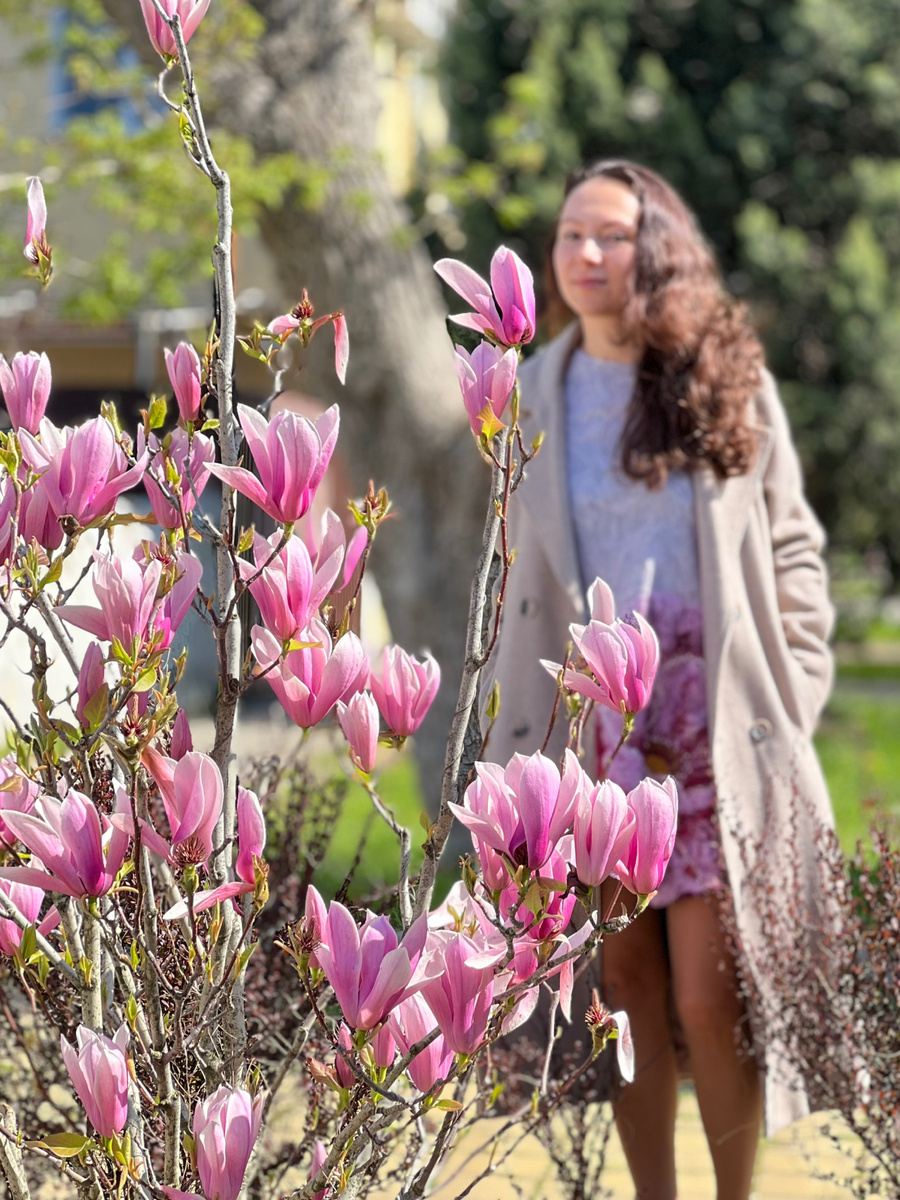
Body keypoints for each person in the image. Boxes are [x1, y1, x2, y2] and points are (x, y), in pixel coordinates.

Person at [484, 160, 834, 1200]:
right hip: (588, 735)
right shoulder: (527, 394)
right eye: (568, 236)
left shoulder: (721, 376)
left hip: (709, 722)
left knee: (711, 991)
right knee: (622, 989)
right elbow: (513, 574)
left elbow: (797, 548)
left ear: (658, 249)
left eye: (612, 236)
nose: (586, 255)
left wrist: (795, 689)